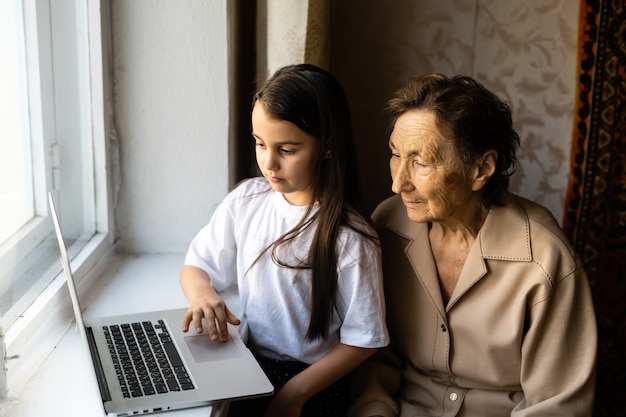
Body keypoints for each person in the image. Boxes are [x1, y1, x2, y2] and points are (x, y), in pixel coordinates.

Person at [349, 73, 597, 417]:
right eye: (395, 155)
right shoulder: (388, 225)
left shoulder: (544, 259)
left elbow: (556, 405)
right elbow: (374, 355)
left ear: (481, 169)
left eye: (421, 162)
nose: (397, 183)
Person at [180, 63, 389, 417]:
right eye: (260, 143)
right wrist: (202, 293)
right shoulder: (246, 200)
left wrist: (293, 395)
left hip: (312, 384)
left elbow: (363, 339)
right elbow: (196, 266)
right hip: (247, 364)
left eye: (287, 150)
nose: (268, 162)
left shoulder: (351, 238)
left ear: (326, 147)